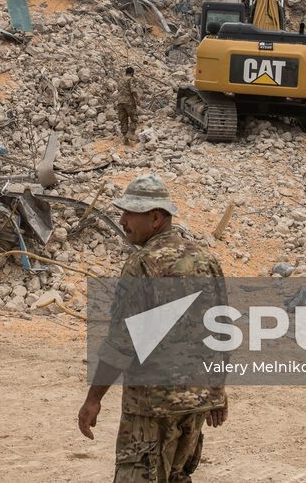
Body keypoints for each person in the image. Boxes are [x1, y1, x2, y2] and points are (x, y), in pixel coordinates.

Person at [78, 175, 227, 482]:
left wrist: (93, 399)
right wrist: (217, 391)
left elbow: (122, 342)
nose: (122, 220)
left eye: (130, 213)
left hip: (151, 407)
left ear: (156, 218)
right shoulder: (207, 261)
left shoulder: (142, 265)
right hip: (195, 406)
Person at [114, 66, 140, 145]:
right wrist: (137, 99)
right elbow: (133, 90)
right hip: (129, 102)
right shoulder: (131, 79)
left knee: (123, 120)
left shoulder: (120, 80)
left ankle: (125, 138)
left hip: (120, 102)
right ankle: (131, 133)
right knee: (134, 118)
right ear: (132, 73)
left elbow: (118, 90)